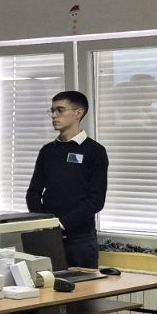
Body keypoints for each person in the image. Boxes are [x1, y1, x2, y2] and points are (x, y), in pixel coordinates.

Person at [25, 90, 107, 268]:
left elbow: (96, 200)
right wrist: (44, 222)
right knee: (45, 283)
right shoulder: (47, 151)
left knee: (83, 285)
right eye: (52, 111)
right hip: (47, 236)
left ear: (78, 113)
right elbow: (33, 192)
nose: (54, 115)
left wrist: (61, 224)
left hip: (80, 240)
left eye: (60, 110)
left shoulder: (95, 151)